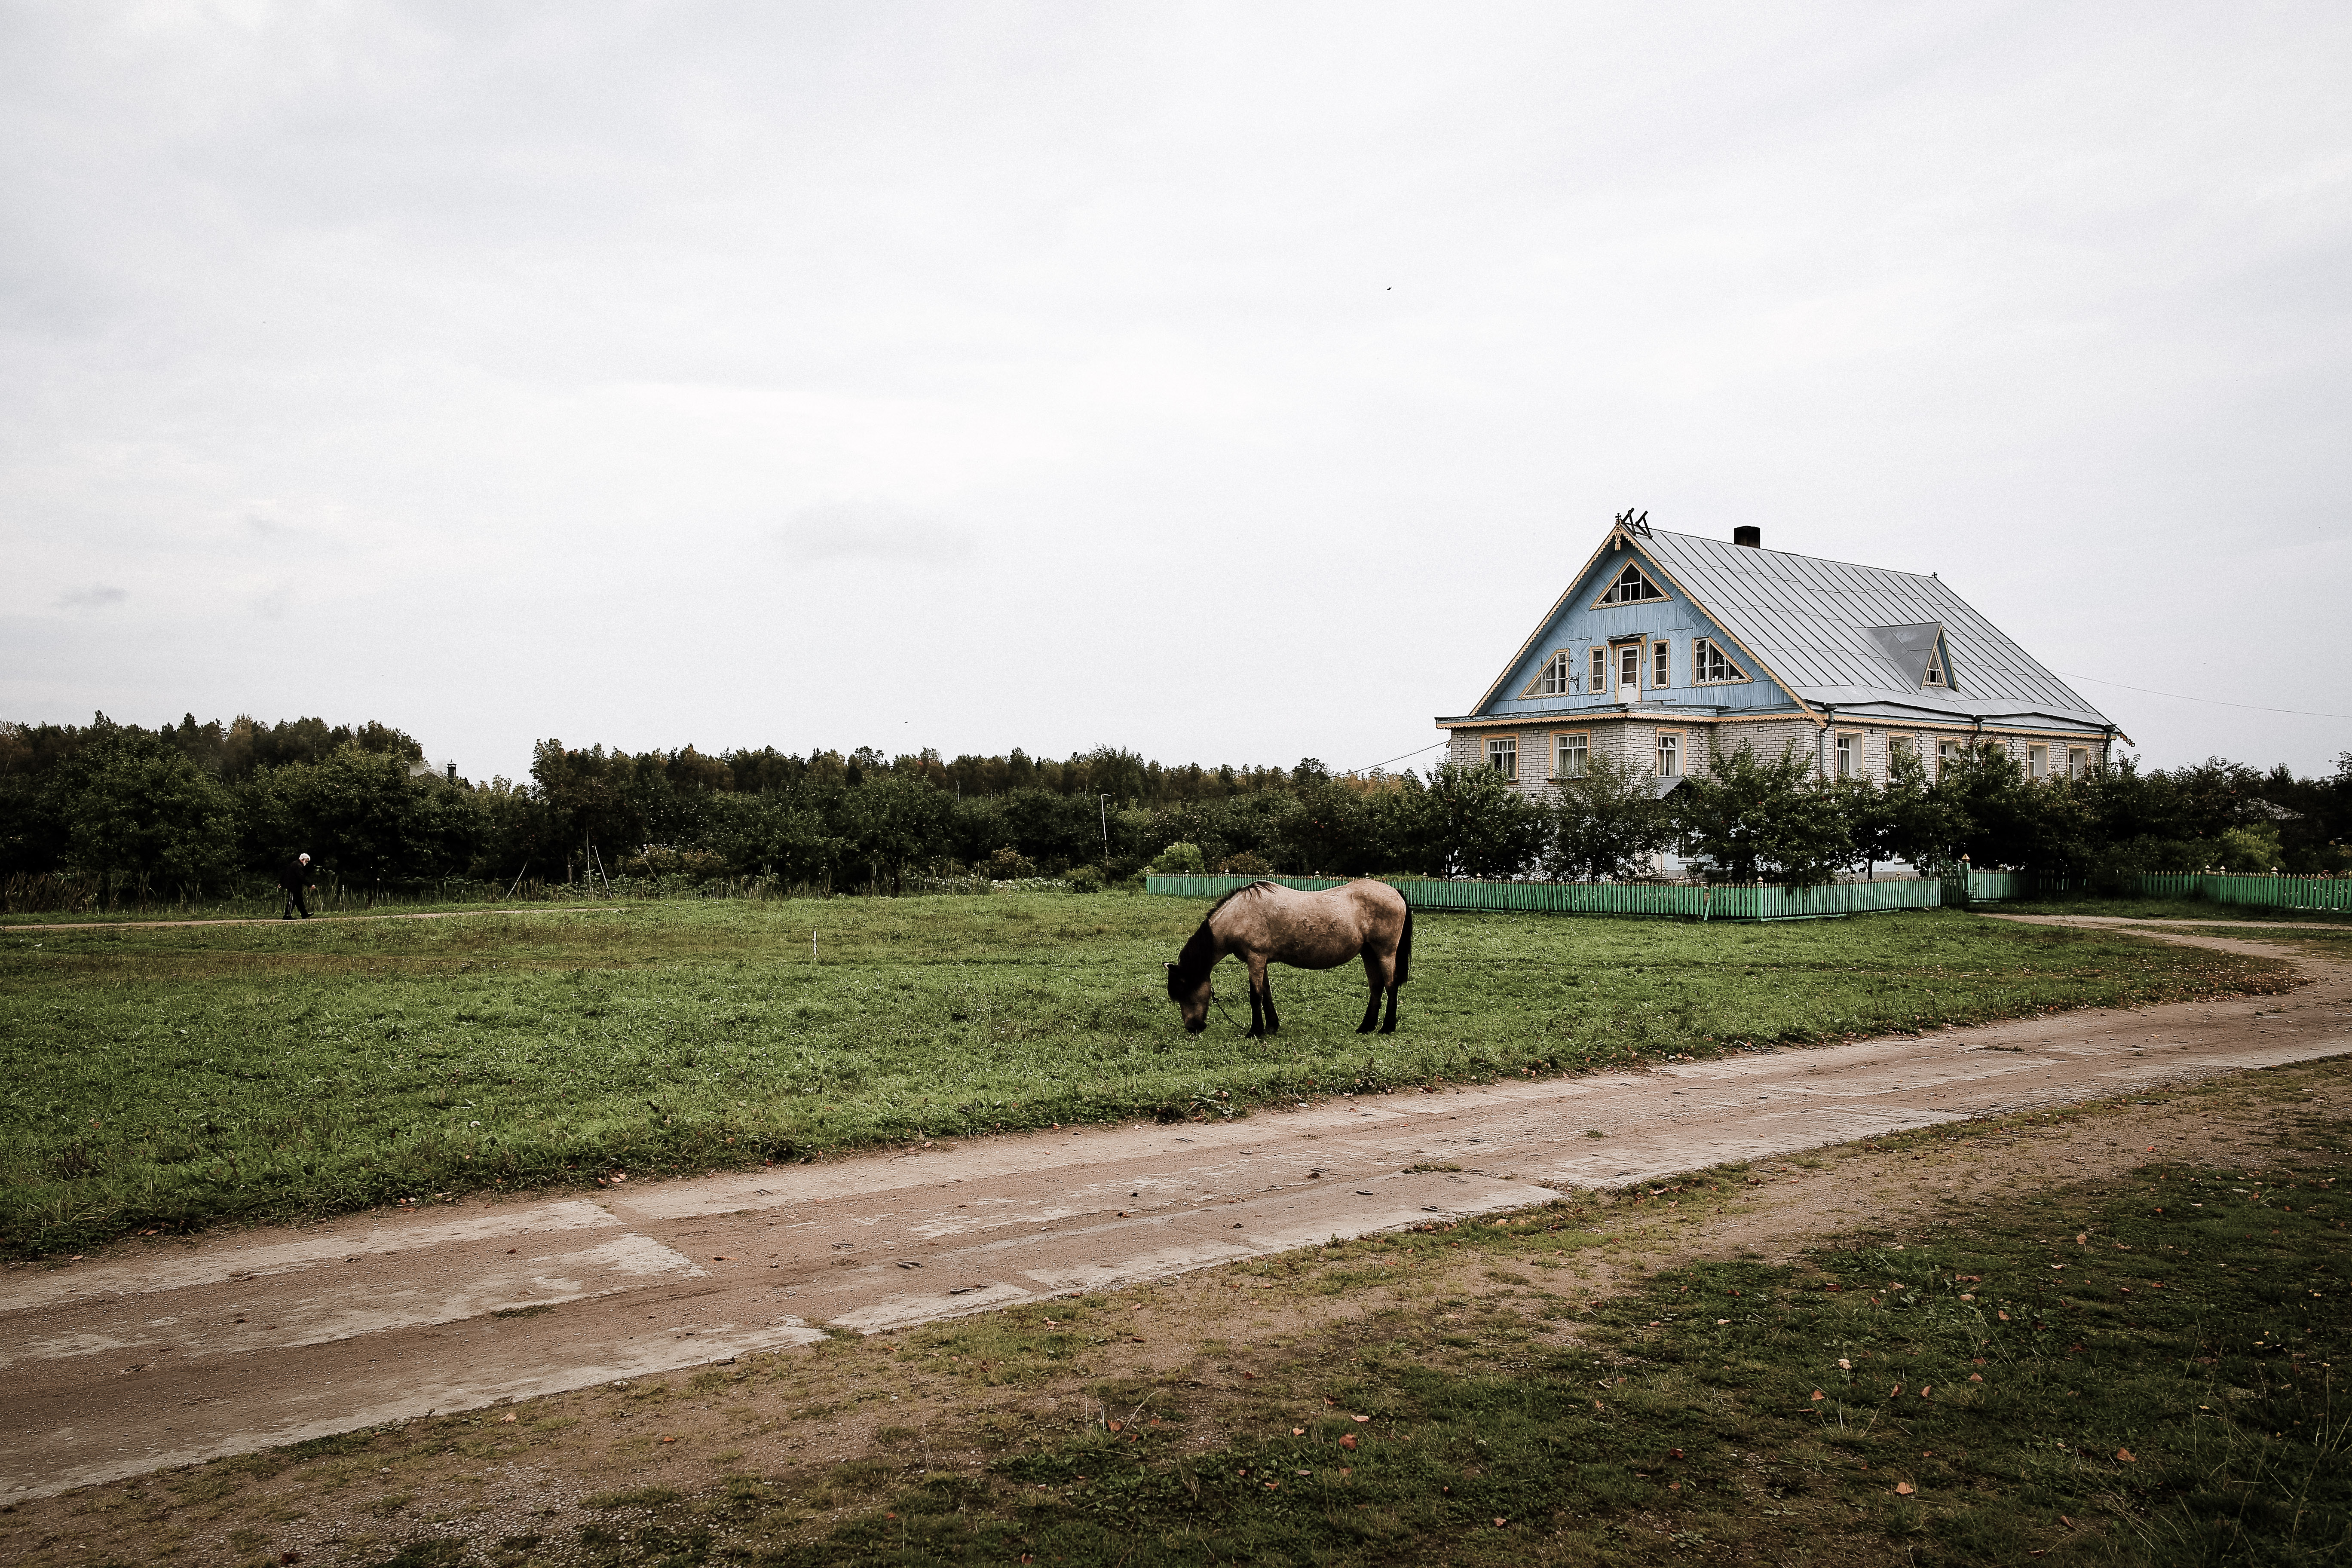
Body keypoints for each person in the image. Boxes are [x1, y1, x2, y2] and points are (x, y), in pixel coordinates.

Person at [279, 852, 314, 919]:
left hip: (296, 886)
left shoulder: (295, 864)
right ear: (303, 859)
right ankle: (287, 915)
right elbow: (301, 877)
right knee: (292, 901)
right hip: (293, 886)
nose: (307, 863)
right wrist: (310, 885)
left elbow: (286, 873)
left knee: (299, 900)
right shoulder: (297, 866)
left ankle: (304, 914)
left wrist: (282, 882)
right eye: (307, 861)